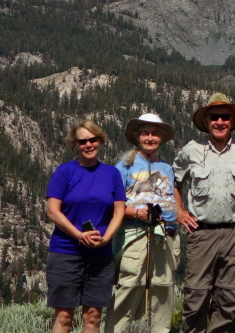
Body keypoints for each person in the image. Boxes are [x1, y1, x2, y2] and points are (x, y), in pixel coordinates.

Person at [173, 93, 235, 333]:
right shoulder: (191, 151)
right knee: (195, 297)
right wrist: (179, 212)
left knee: (229, 298)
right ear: (207, 121)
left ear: (232, 121)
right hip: (201, 234)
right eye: (214, 117)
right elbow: (173, 183)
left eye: (224, 117)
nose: (219, 122)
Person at [45, 120, 126, 333]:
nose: (88, 145)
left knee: (93, 317)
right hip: (66, 251)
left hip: (100, 254)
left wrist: (107, 238)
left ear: (100, 141)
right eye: (83, 141)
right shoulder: (64, 172)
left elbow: (119, 211)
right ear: (75, 145)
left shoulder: (112, 174)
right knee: (64, 316)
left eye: (93, 140)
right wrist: (79, 236)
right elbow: (53, 211)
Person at [106, 113, 180, 333]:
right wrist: (135, 213)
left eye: (155, 134)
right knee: (129, 287)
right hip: (134, 233)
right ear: (137, 137)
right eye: (145, 133)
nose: (150, 138)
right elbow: (112, 202)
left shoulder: (166, 167)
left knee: (162, 289)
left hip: (165, 235)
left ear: (161, 138)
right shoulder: (124, 166)